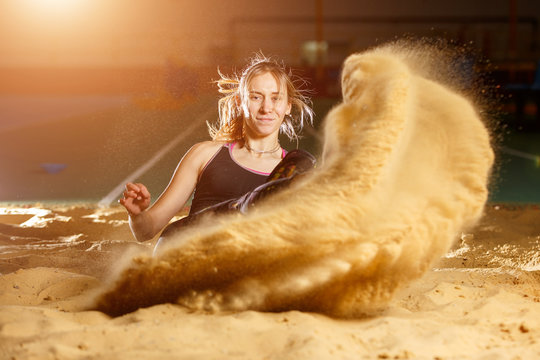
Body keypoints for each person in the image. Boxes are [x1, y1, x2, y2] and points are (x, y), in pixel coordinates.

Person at [119, 54, 315, 249]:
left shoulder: (291, 171)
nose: (266, 107)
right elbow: (146, 231)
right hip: (186, 252)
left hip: (239, 263)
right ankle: (246, 206)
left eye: (275, 98)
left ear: (288, 105)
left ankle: (248, 209)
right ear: (240, 102)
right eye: (256, 97)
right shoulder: (204, 154)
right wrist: (137, 215)